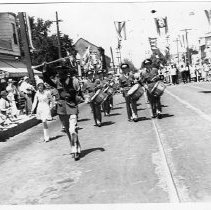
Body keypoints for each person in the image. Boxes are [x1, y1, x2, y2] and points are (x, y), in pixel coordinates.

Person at [42, 63, 81, 160]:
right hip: (62, 109)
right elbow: (47, 79)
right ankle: (75, 146)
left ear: (66, 72)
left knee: (73, 130)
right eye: (59, 72)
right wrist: (44, 69)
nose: (60, 74)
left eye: (62, 72)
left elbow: (80, 94)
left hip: (72, 107)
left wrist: (77, 98)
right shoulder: (58, 82)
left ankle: (75, 148)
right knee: (68, 130)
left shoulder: (74, 81)